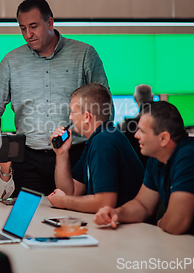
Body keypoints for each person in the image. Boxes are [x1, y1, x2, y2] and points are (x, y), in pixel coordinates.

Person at [0, 0, 111, 196]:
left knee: (72, 215)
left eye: (33, 26)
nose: (28, 34)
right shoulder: (11, 61)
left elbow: (103, 106)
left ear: (50, 22)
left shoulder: (84, 54)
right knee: (30, 217)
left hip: (75, 155)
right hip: (28, 160)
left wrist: (102, 148)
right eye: (23, 28)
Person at [94, 101, 194, 244]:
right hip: (189, 243)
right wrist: (116, 213)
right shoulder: (157, 158)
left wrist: (161, 222)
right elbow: (142, 205)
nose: (136, 135)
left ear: (164, 138)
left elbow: (177, 224)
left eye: (142, 131)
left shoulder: (190, 157)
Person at [48, 83, 144, 213]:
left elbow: (104, 203)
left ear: (87, 117)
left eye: (73, 112)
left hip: (130, 230)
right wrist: (61, 153)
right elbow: (70, 192)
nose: (70, 117)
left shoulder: (103, 142)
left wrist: (63, 202)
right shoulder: (98, 139)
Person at [118, 84, 154, 167]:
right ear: (152, 97)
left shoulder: (124, 125)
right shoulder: (163, 120)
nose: (137, 135)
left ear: (134, 98)